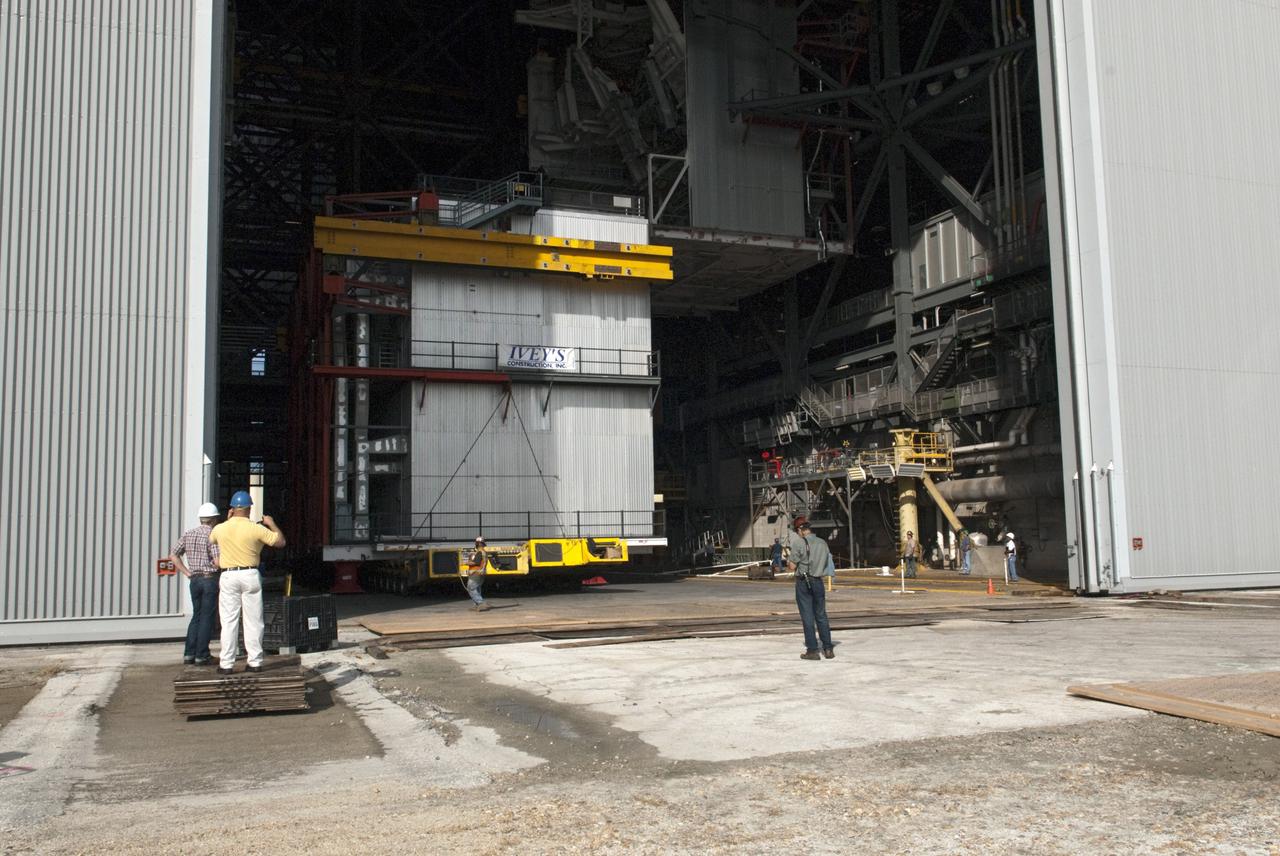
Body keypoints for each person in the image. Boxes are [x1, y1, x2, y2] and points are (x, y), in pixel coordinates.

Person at [209, 491, 286, 675]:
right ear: (249, 509)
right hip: (250, 574)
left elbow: (211, 539)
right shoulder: (256, 529)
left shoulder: (220, 528)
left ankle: (226, 664)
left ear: (232, 509)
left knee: (228, 622)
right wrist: (271, 523)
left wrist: (227, 520)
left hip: (228, 575)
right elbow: (281, 542)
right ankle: (255, 662)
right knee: (253, 621)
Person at [169, 502, 221, 666]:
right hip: (208, 578)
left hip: (195, 579)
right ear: (213, 519)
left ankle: (189, 654)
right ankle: (202, 655)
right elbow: (218, 561)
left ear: (200, 518)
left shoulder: (188, 534)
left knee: (196, 616)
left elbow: (173, 555)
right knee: (207, 617)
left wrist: (187, 572)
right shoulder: (212, 535)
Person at [793, 520, 835, 660]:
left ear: (800, 529)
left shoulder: (799, 543)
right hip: (818, 581)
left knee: (807, 616)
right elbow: (827, 563)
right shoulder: (823, 543)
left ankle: (812, 650)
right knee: (821, 615)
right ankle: (828, 649)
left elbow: (792, 566)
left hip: (804, 582)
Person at [466, 536, 491, 611]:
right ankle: (476, 606)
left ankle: (481, 603)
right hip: (481, 573)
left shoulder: (480, 552)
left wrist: (467, 563)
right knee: (477, 589)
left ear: (478, 544)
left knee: (471, 588)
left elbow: (475, 563)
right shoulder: (483, 552)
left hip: (476, 573)